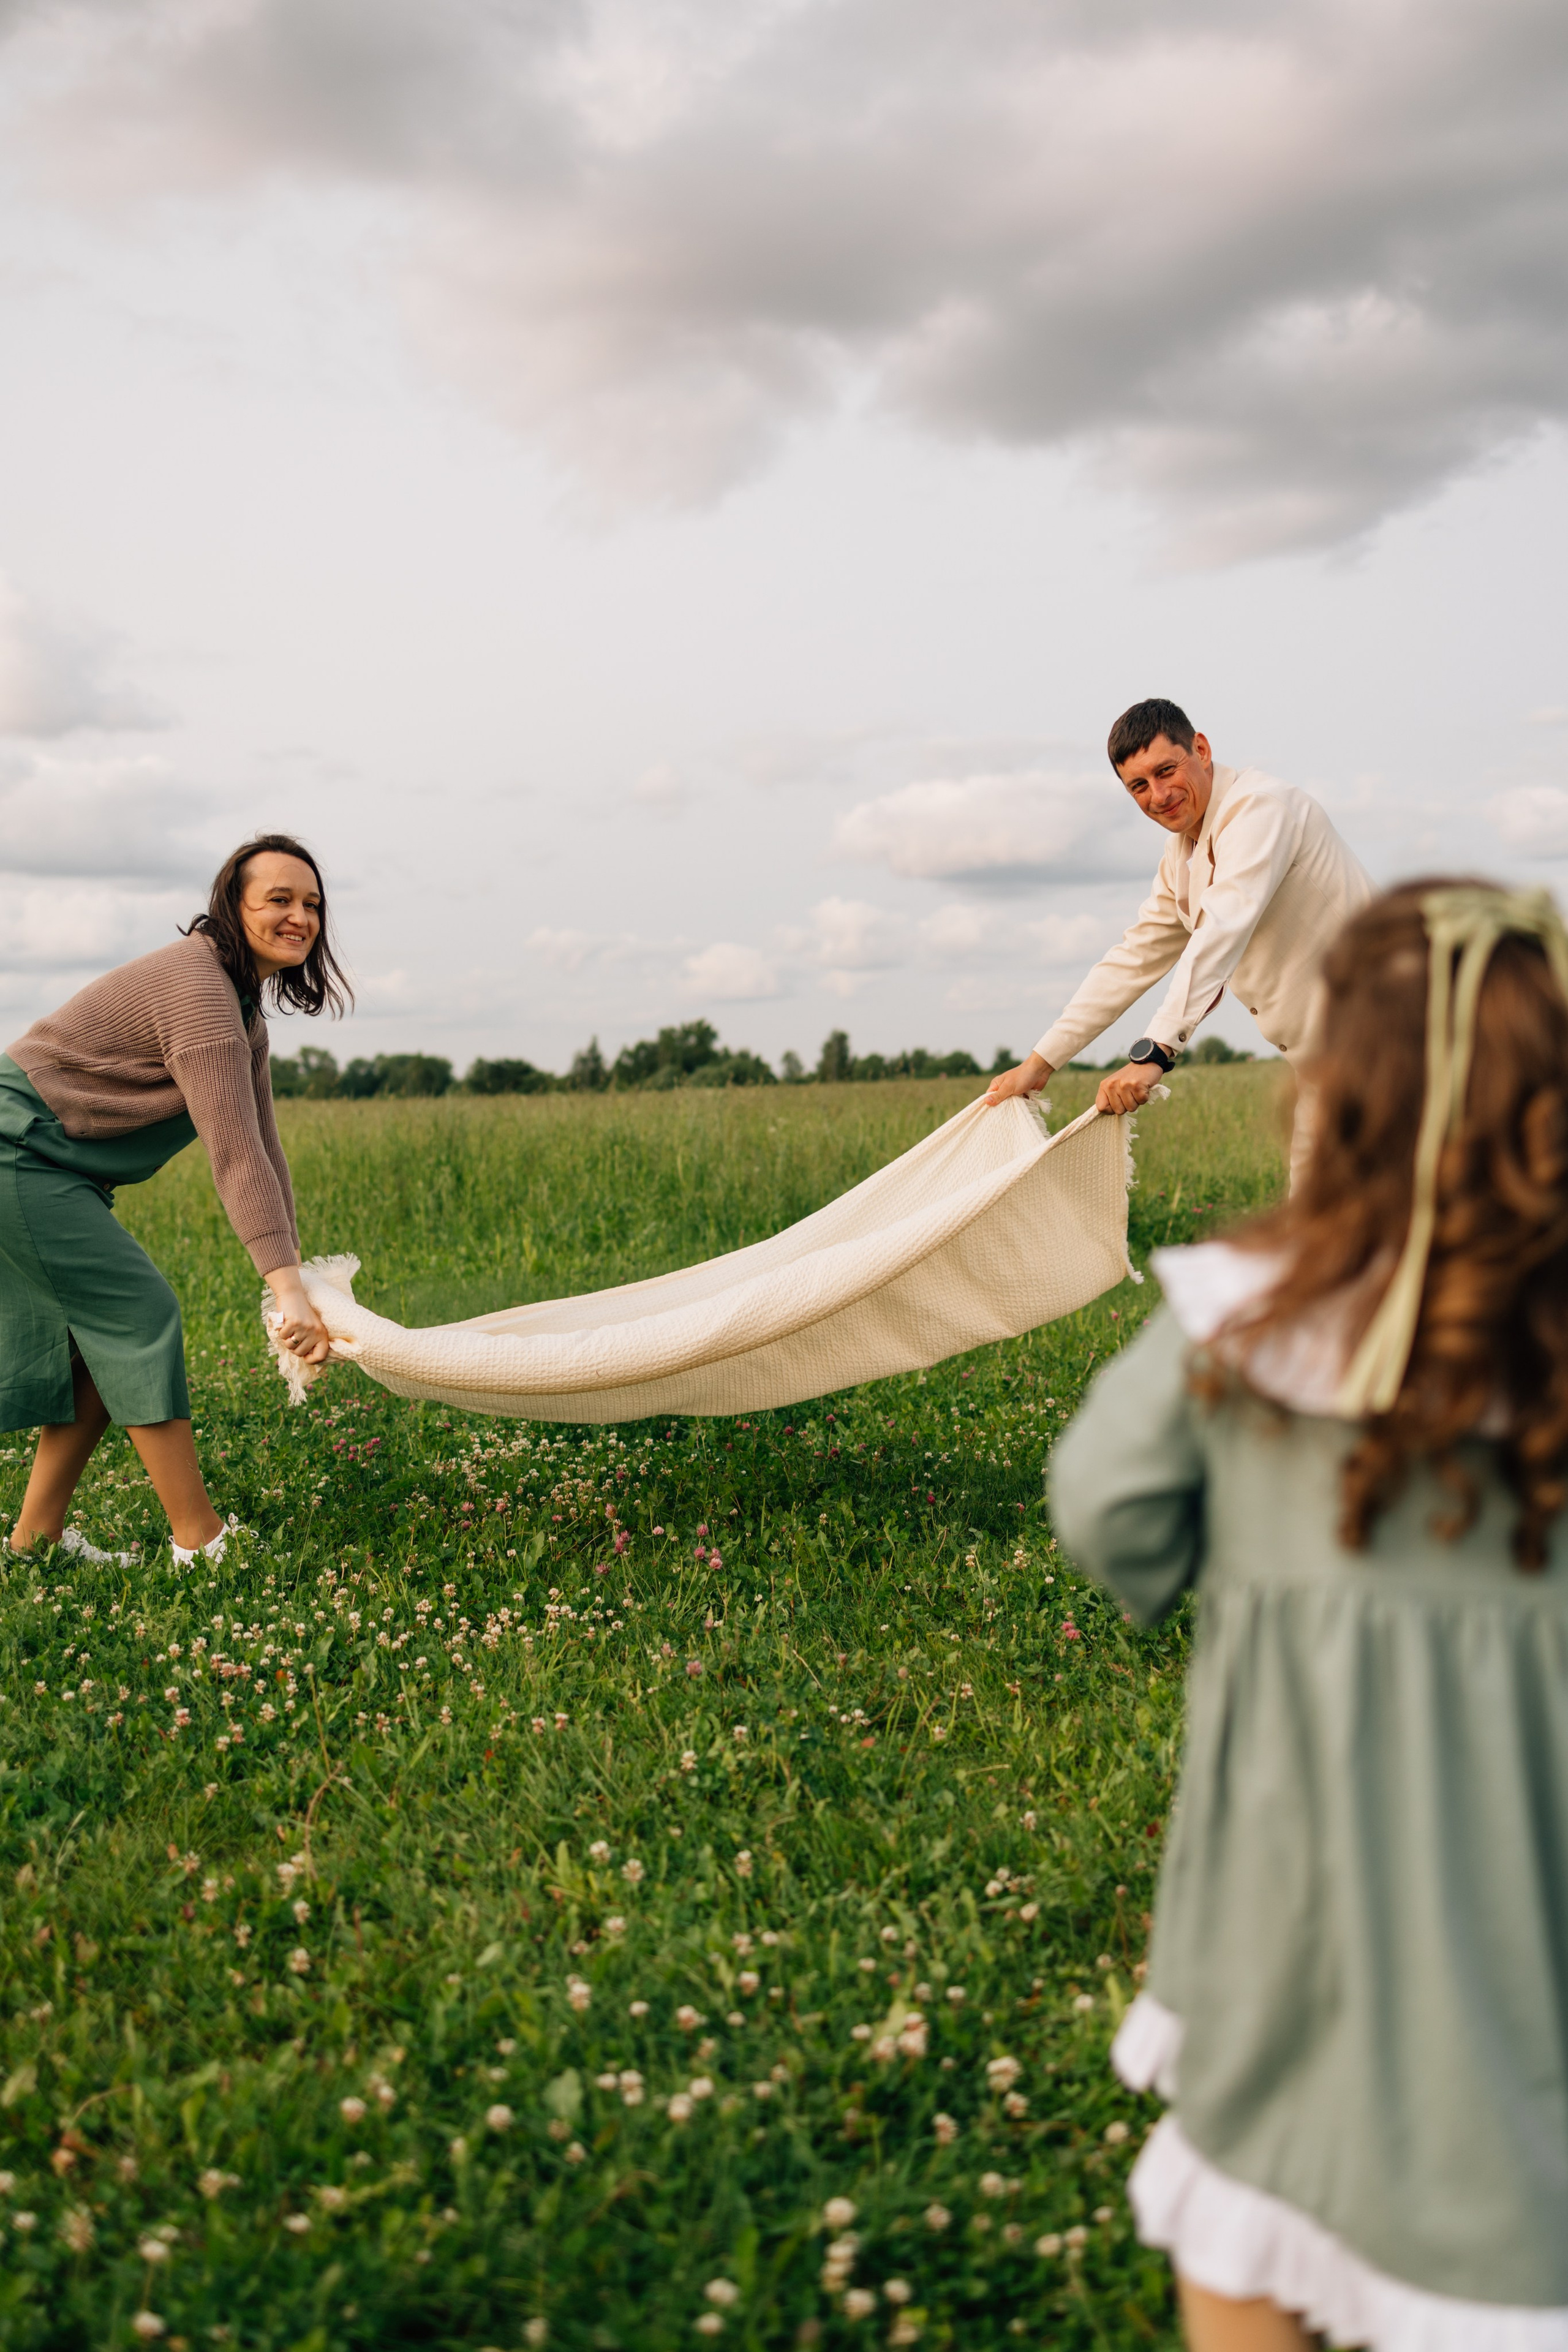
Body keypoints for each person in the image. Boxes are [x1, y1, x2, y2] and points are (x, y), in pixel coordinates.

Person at [1050, 880, 1568, 2351]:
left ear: (1340, 1094)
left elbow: (1108, 1511)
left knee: (1247, 2214)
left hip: (1292, 1914)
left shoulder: (1244, 1320)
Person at [1, 835, 342, 1565]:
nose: (300, 917)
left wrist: (299, 1277)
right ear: (232, 905)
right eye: (278, 900)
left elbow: (266, 1148)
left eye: (311, 903)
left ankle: (35, 1543)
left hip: (50, 1166)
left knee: (97, 1350)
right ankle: (202, 1540)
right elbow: (235, 1154)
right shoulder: (200, 992)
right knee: (139, 1312)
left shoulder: (240, 1007)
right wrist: (283, 1290)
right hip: (17, 1153)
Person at [986, 699, 1371, 1116]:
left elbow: (1221, 931)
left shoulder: (1259, 808)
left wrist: (1154, 1054)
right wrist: (1039, 1064)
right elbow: (1133, 960)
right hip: (1327, 1069)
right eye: (1138, 786)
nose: (1159, 795)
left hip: (1398, 1043)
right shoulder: (1180, 858)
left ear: (1201, 750)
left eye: (1166, 770)